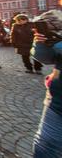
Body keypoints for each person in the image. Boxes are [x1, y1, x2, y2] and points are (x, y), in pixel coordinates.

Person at [31, 10, 62, 157]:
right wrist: (41, 44)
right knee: (45, 145)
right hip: (57, 102)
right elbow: (46, 59)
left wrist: (58, 45)